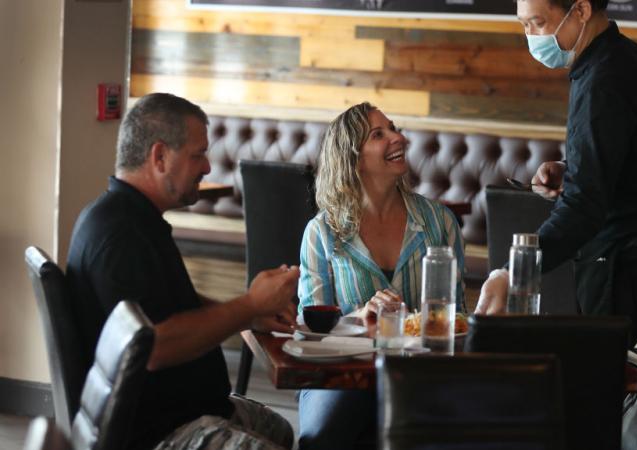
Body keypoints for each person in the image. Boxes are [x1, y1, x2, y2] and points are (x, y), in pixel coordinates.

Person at [66, 93, 299, 450]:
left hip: (183, 412)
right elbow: (156, 346)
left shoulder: (131, 217)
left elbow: (171, 304)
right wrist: (250, 304)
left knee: (280, 429)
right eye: (198, 154)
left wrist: (251, 315)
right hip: (156, 433)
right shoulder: (119, 235)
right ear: (159, 156)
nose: (207, 167)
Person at [476, 0, 637, 344]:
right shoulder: (622, 54)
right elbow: (632, 160)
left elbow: (583, 207)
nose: (530, 36)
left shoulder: (604, 78)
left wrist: (513, 272)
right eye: (523, 25)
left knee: (614, 378)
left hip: (635, 273)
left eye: (537, 22)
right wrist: (573, 172)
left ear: (580, 10)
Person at [297, 102, 466, 449]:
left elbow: (458, 316)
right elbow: (310, 334)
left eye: (394, 128)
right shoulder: (322, 232)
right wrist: (358, 319)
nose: (397, 137)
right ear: (353, 159)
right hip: (343, 374)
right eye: (378, 134)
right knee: (323, 436)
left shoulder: (440, 222)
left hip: (419, 376)